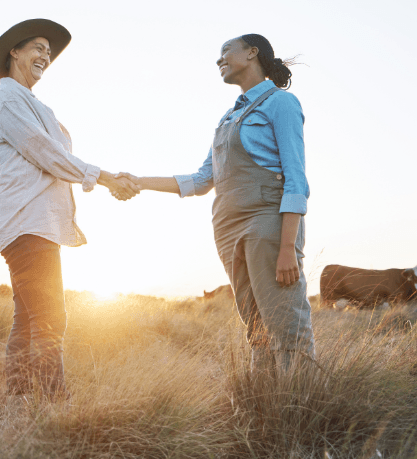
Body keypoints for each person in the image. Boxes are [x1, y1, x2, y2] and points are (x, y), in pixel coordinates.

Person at [120, 34, 315, 380]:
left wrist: (287, 247)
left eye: (225, 51)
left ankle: (306, 410)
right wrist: (140, 181)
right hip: (228, 231)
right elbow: (201, 180)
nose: (218, 60)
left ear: (252, 53)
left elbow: (296, 180)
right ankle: (266, 407)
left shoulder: (280, 104)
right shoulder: (228, 118)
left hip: (266, 225)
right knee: (255, 326)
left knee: (285, 323)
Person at [0, 19, 140, 401]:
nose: (45, 56)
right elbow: (46, 153)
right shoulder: (7, 99)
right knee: (50, 317)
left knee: (29, 319)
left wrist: (108, 178)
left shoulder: (39, 106)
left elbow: (55, 155)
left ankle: (20, 402)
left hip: (39, 223)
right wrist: (104, 178)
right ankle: (55, 403)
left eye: (49, 53)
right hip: (26, 221)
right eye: (38, 48)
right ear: (14, 52)